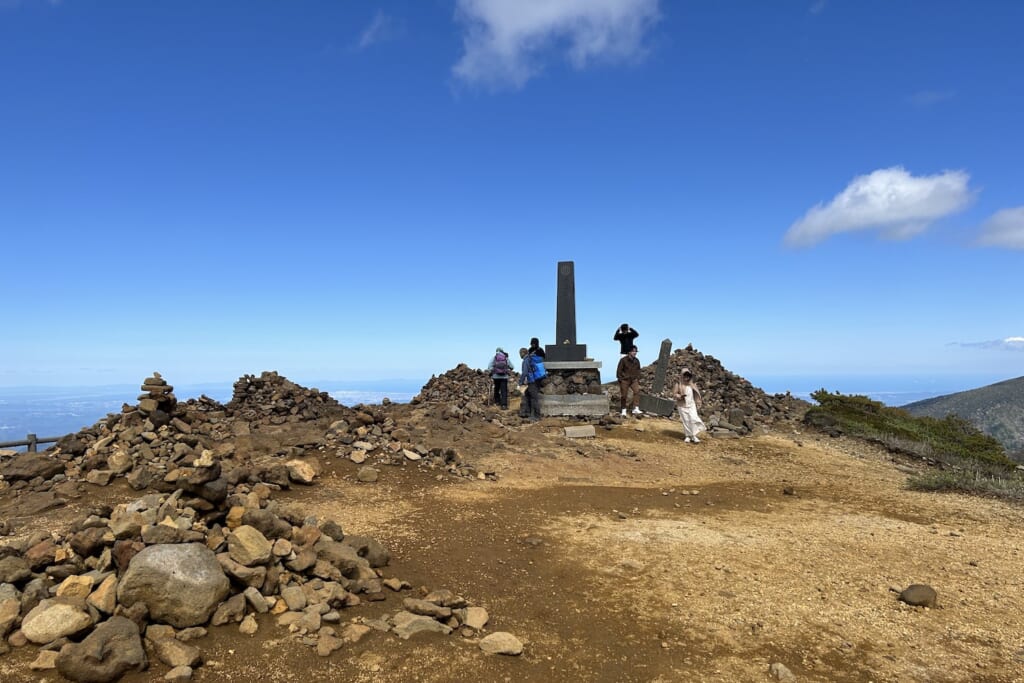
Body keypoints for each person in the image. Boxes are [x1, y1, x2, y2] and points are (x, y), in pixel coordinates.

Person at [673, 368, 707, 443]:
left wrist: (698, 402)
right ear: (682, 376)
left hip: (691, 405)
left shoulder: (692, 384)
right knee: (686, 421)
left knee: (693, 419)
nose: (686, 378)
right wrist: (680, 396)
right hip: (682, 405)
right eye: (685, 376)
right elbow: (674, 394)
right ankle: (688, 436)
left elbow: (697, 394)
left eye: (688, 376)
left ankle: (693, 435)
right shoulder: (678, 384)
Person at [616, 345, 642, 417]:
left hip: (633, 380)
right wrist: (620, 380)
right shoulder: (623, 360)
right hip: (625, 380)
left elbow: (638, 370)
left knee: (637, 391)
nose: (635, 353)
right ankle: (623, 410)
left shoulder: (637, 361)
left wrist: (637, 378)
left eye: (635, 351)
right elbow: (619, 370)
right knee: (624, 395)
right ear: (629, 352)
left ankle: (635, 408)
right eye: (633, 351)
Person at [518, 347, 542, 421]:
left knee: (534, 398)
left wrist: (520, 382)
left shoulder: (526, 360)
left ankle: (536, 416)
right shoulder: (530, 359)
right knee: (527, 395)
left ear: (523, 353)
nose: (519, 355)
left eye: (520, 353)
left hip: (532, 381)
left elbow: (525, 372)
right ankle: (527, 413)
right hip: (535, 380)